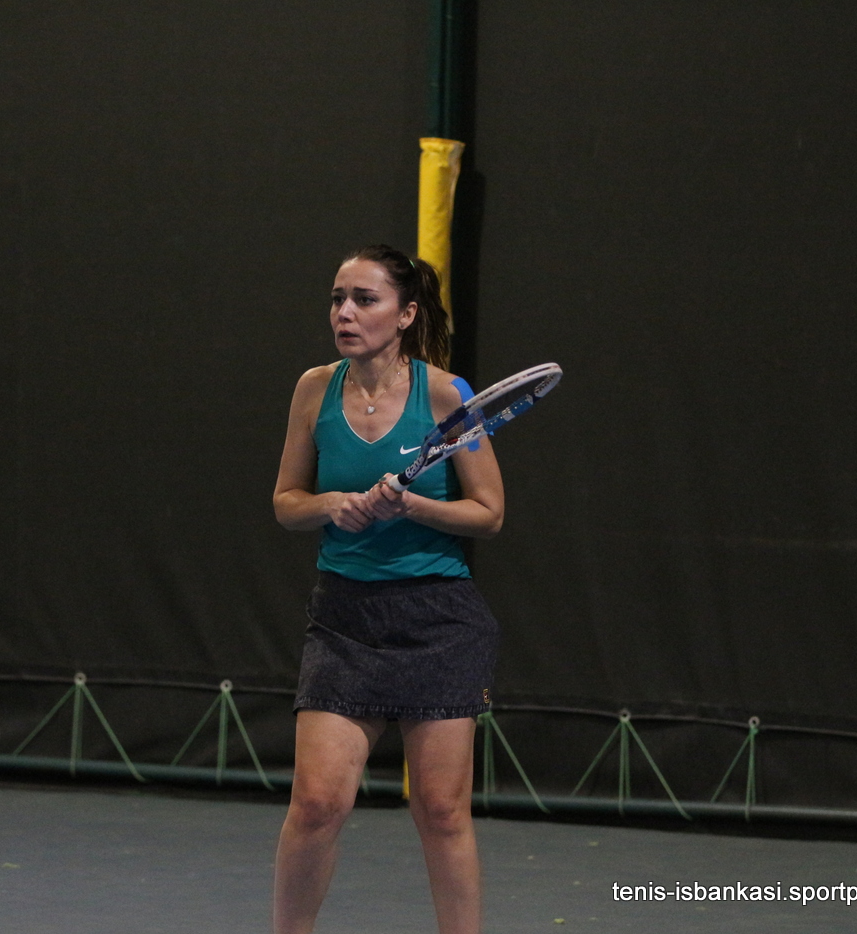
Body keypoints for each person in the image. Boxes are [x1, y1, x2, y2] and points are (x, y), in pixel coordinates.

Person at [271, 244, 504, 934]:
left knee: (441, 811)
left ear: (405, 315)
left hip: (439, 620)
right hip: (343, 619)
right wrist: (331, 504)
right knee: (316, 804)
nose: (344, 313)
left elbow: (489, 513)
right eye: (337, 298)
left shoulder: (448, 395)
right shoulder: (314, 389)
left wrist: (414, 506)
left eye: (364, 300)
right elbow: (286, 502)